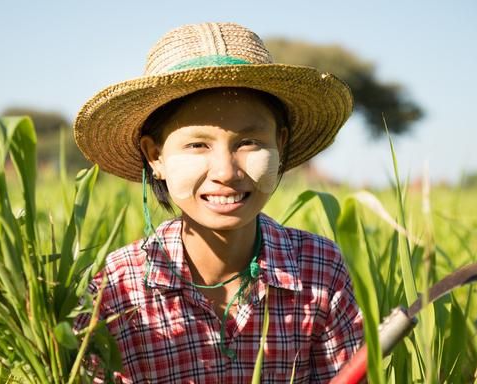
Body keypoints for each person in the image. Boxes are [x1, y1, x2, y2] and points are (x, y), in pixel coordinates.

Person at [73, 22, 362, 383]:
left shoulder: (320, 272)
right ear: (155, 156)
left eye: (249, 142)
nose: (225, 172)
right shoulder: (114, 290)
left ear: (280, 145)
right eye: (197, 145)